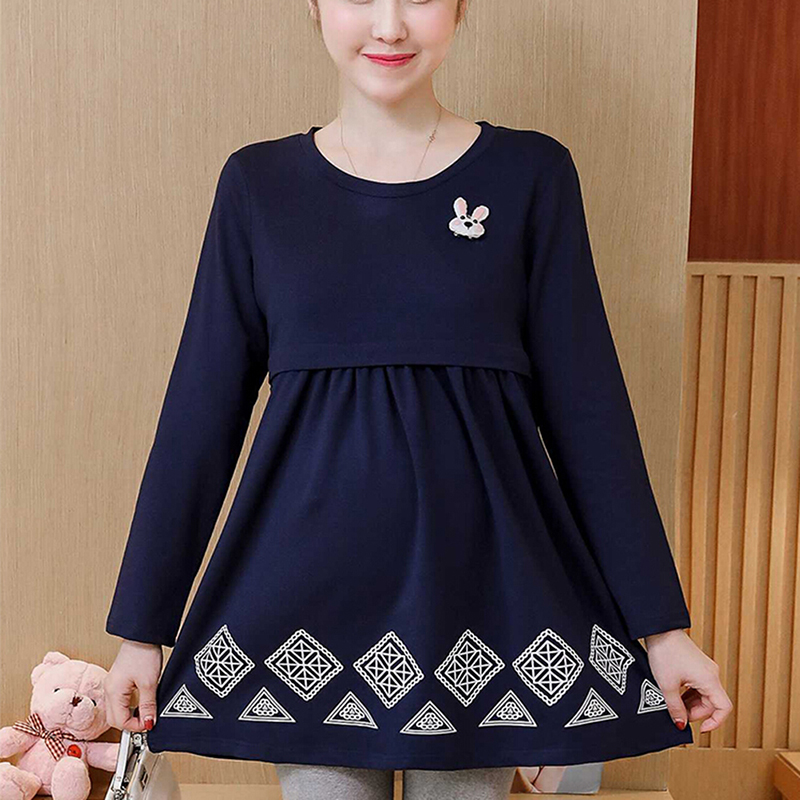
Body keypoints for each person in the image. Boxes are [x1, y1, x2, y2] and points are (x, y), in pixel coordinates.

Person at [102, 0, 733, 798]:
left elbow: (591, 415)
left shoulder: (531, 175)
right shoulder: (258, 185)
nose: (390, 25)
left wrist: (663, 630)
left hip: (482, 604)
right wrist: (141, 631)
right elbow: (198, 416)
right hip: (304, 604)